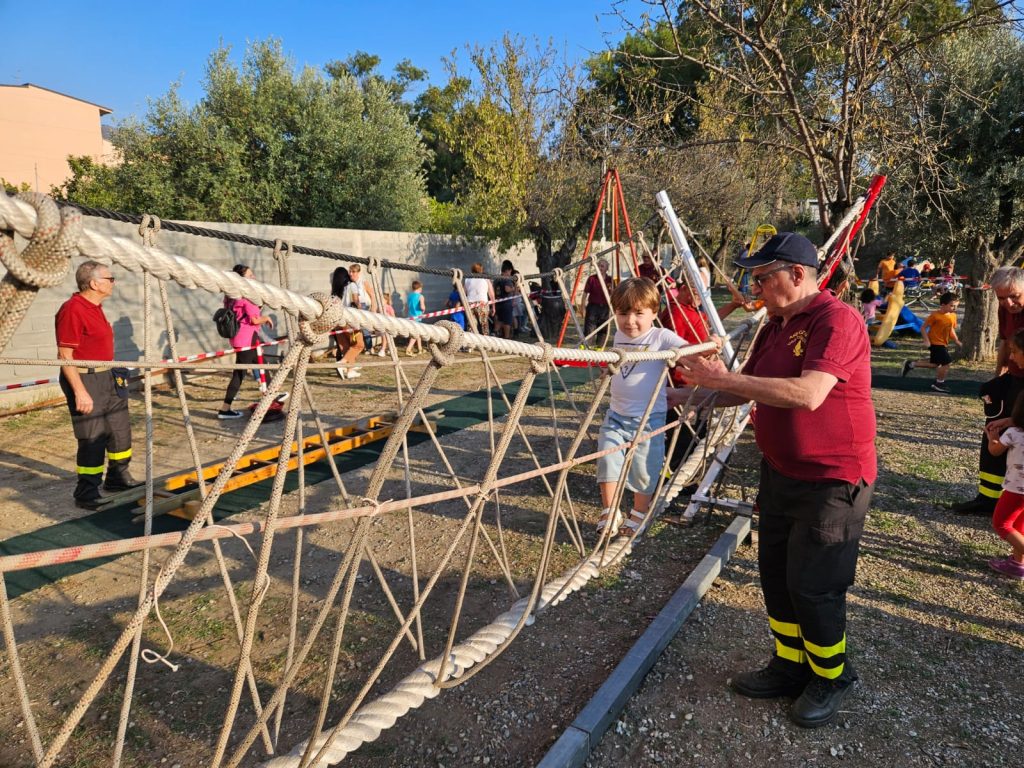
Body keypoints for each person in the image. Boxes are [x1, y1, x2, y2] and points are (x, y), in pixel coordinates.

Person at [673, 232, 875, 729]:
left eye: (763, 278)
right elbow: (744, 392)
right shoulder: (775, 324)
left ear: (797, 274)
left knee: (815, 585)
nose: (755, 287)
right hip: (781, 472)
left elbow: (808, 394)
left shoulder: (837, 320)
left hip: (833, 480)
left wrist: (720, 379)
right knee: (777, 577)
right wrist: (676, 403)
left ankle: (831, 676)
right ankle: (789, 666)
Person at [596, 277, 687, 537]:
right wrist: (607, 370)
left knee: (644, 467)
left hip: (649, 418)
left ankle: (639, 512)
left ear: (653, 313)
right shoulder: (618, 335)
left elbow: (688, 350)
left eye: (638, 313)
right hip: (616, 414)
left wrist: (706, 348)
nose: (630, 321)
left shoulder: (660, 337)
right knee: (606, 455)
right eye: (623, 313)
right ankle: (610, 510)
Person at [56, 260, 140, 509]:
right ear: (94, 283)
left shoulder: (95, 307)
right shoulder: (73, 309)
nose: (113, 282)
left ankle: (117, 477)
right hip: (85, 378)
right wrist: (80, 392)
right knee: (92, 436)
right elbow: (64, 355)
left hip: (108, 376)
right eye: (109, 278)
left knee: (119, 430)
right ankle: (86, 491)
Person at [953, 267, 1024, 515]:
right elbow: (1005, 342)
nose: (1008, 303)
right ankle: (988, 498)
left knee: (1016, 436)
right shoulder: (1005, 310)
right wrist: (998, 378)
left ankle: (1014, 504)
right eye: (1001, 298)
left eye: (1014, 296)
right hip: (1012, 380)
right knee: (992, 430)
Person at [983, 330, 1024, 580]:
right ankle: (1017, 561)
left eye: (1015, 352)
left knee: (1002, 523)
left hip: (1017, 485)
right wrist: (1011, 419)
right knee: (1020, 523)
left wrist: (996, 436)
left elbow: (995, 449)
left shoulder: (1015, 435)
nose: (1011, 357)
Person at [217, 265, 275, 418]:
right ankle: (225, 409)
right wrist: (267, 318)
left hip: (240, 338)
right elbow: (255, 319)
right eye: (250, 275)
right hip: (246, 338)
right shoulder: (245, 296)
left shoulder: (230, 296)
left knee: (262, 365)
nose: (253, 277)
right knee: (240, 374)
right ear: (242, 279)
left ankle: (271, 396)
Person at [901, 292, 960, 392]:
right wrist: (926, 341)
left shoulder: (953, 316)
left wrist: (956, 340)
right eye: (952, 306)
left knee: (935, 364)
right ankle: (939, 383)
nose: (954, 308)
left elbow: (951, 330)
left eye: (956, 306)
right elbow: (923, 328)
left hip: (943, 343)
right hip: (935, 343)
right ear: (943, 305)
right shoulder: (935, 315)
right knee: (946, 363)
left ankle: (911, 364)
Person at [334, 267, 365, 379]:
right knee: (358, 345)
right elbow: (356, 302)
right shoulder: (352, 286)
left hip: (338, 322)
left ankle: (350, 370)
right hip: (350, 321)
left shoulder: (335, 290)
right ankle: (341, 363)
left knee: (347, 347)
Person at [581, 258, 612, 340]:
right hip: (593, 307)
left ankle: (599, 348)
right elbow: (585, 294)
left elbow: (614, 294)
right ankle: (587, 347)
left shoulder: (610, 280)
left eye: (602, 266)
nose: (600, 268)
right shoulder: (592, 279)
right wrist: (582, 307)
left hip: (605, 308)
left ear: (607, 268)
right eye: (598, 266)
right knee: (590, 329)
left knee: (603, 329)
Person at [464, 263, 495, 335]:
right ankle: (485, 342)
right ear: (481, 270)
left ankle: (471, 343)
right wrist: (493, 307)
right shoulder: (485, 278)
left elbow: (463, 293)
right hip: (482, 303)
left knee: (471, 325)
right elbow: (491, 293)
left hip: (470, 304)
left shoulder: (467, 279)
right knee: (484, 325)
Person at [493, 262, 516, 339]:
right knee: (507, 321)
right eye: (510, 271)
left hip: (498, 303)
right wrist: (514, 288)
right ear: (508, 270)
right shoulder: (507, 278)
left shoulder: (497, 279)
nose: (510, 273)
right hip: (506, 304)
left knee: (499, 320)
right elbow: (507, 289)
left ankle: (494, 333)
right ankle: (507, 337)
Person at [406, 280, 425, 356]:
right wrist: (424, 309)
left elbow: (407, 306)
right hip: (417, 316)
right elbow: (422, 307)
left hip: (410, 316)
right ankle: (408, 349)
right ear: (420, 288)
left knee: (418, 332)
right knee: (415, 333)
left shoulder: (409, 296)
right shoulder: (420, 296)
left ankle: (420, 349)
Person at [376, 291, 396, 356]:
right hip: (381, 325)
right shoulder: (379, 307)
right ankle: (391, 349)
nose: (380, 301)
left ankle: (383, 350)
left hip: (388, 325)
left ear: (386, 300)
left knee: (385, 338)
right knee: (384, 338)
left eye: (382, 300)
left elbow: (393, 316)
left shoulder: (389, 307)